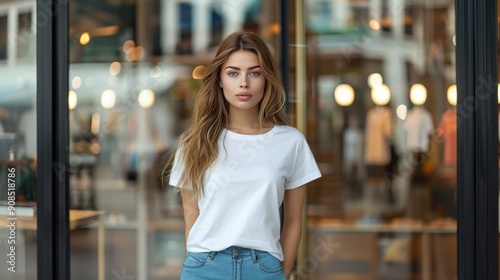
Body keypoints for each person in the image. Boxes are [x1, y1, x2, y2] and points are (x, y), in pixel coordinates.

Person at [166, 31, 322, 279]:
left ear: (266, 78)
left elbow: (293, 221)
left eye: (254, 72)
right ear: (219, 79)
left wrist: (283, 271)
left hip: (263, 267)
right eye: (233, 73)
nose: (244, 83)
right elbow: (191, 212)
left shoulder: (290, 142)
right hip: (205, 267)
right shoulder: (195, 142)